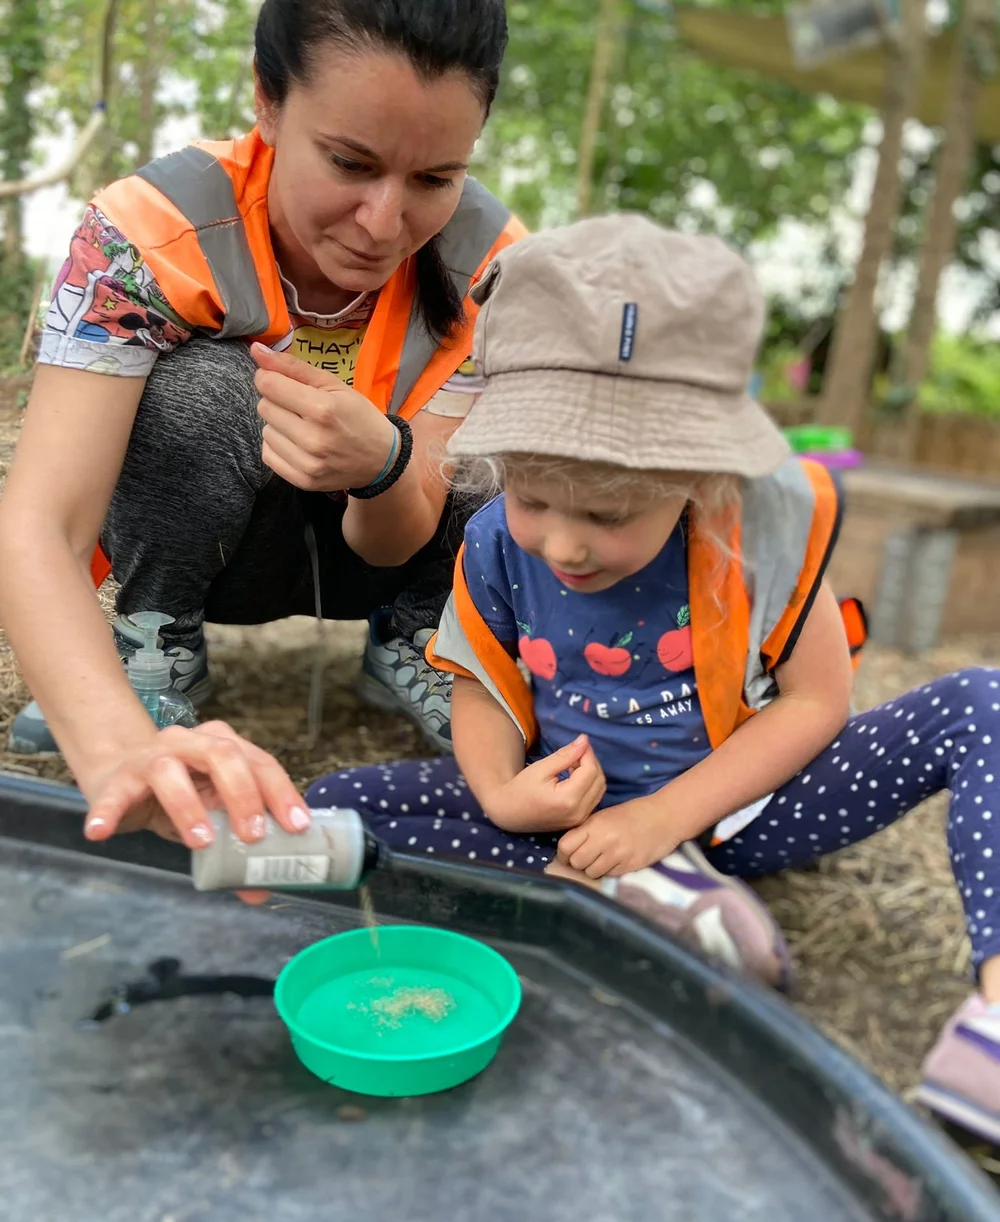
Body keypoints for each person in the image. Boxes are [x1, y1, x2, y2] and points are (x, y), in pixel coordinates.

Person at [307, 215, 1000, 1143]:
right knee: (335, 807)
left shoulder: (754, 531)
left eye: (608, 512)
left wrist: (665, 820)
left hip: (747, 803)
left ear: (701, 478)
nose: (564, 542)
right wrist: (507, 797)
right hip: (575, 805)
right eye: (535, 498)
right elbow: (478, 683)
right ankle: (638, 891)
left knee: (983, 703)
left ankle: (992, 1018)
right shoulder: (494, 546)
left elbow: (818, 700)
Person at [0, 0, 524, 851]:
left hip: (380, 549)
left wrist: (386, 462)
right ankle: (152, 644)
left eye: (435, 179)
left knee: (514, 443)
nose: (385, 224)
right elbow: (40, 523)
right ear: (268, 102)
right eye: (350, 163)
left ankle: (425, 640)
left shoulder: (497, 269)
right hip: (218, 547)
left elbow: (404, 535)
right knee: (200, 388)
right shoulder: (147, 235)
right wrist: (116, 747)